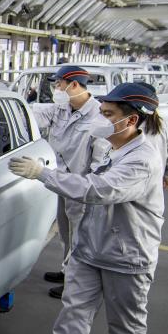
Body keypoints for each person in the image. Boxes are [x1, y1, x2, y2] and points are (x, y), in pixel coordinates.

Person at [10, 82, 167, 334]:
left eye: (107, 114)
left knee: (125, 318)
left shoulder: (142, 160)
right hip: (91, 248)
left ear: (131, 120)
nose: (100, 118)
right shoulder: (113, 145)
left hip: (126, 255)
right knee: (74, 309)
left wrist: (43, 174)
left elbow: (99, 191)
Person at [27, 65, 103, 300]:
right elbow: (31, 114)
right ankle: (66, 270)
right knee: (65, 231)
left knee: (80, 235)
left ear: (74, 85)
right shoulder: (60, 109)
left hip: (81, 185)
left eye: (59, 84)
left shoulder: (99, 115)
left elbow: (100, 158)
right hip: (59, 180)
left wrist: (91, 186)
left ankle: (75, 282)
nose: (56, 88)